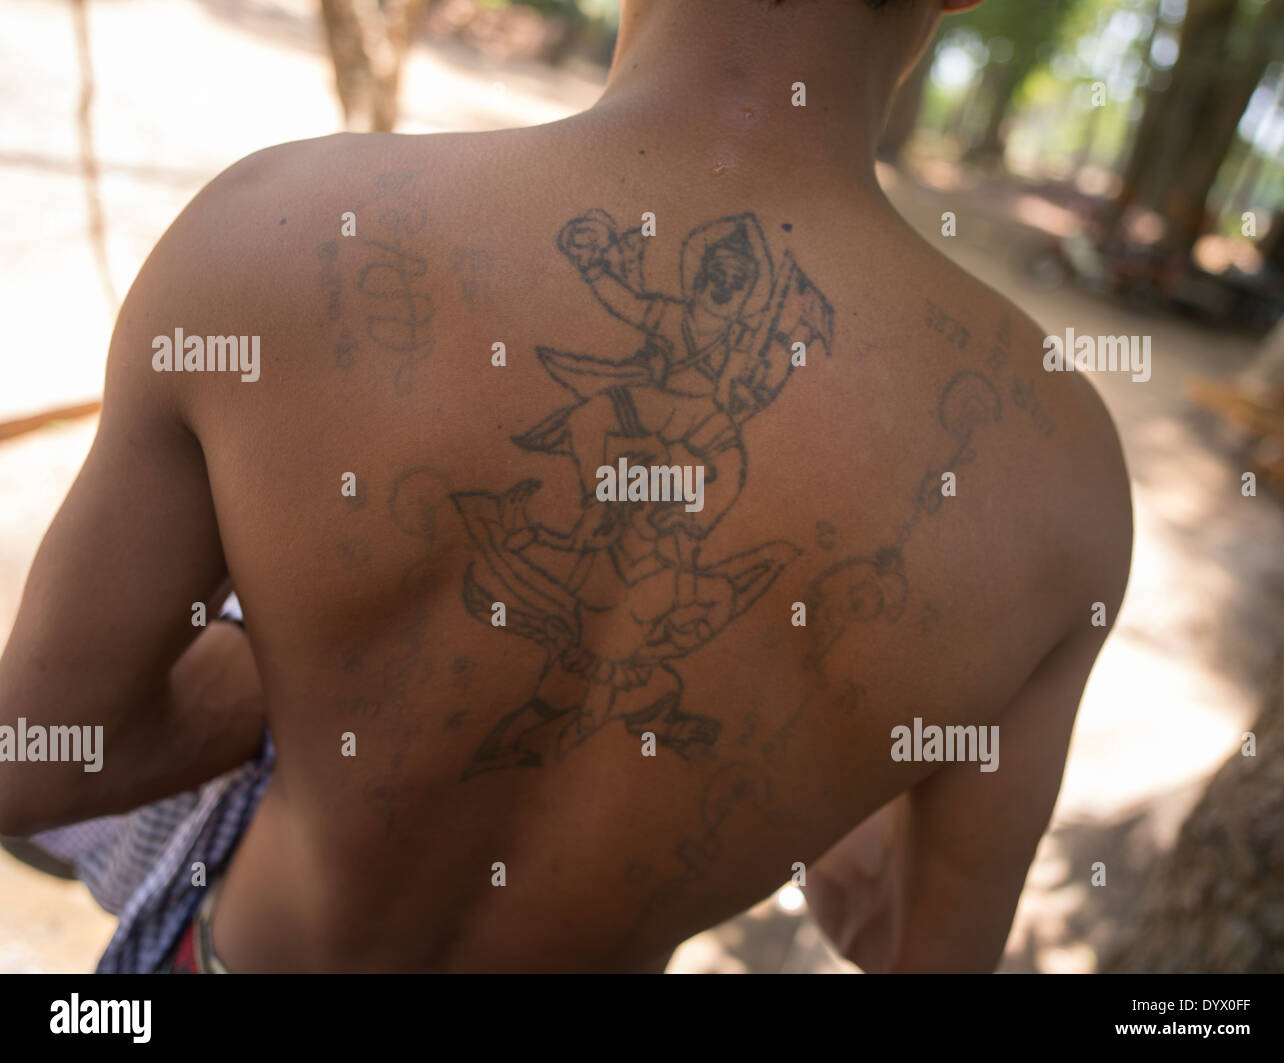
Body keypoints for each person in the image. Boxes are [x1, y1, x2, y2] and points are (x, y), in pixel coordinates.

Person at [0, 0, 1132, 973]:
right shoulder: (1062, 479)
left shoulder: (269, 239)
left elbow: (37, 762)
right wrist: (805, 771)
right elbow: (911, 945)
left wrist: (288, 670)